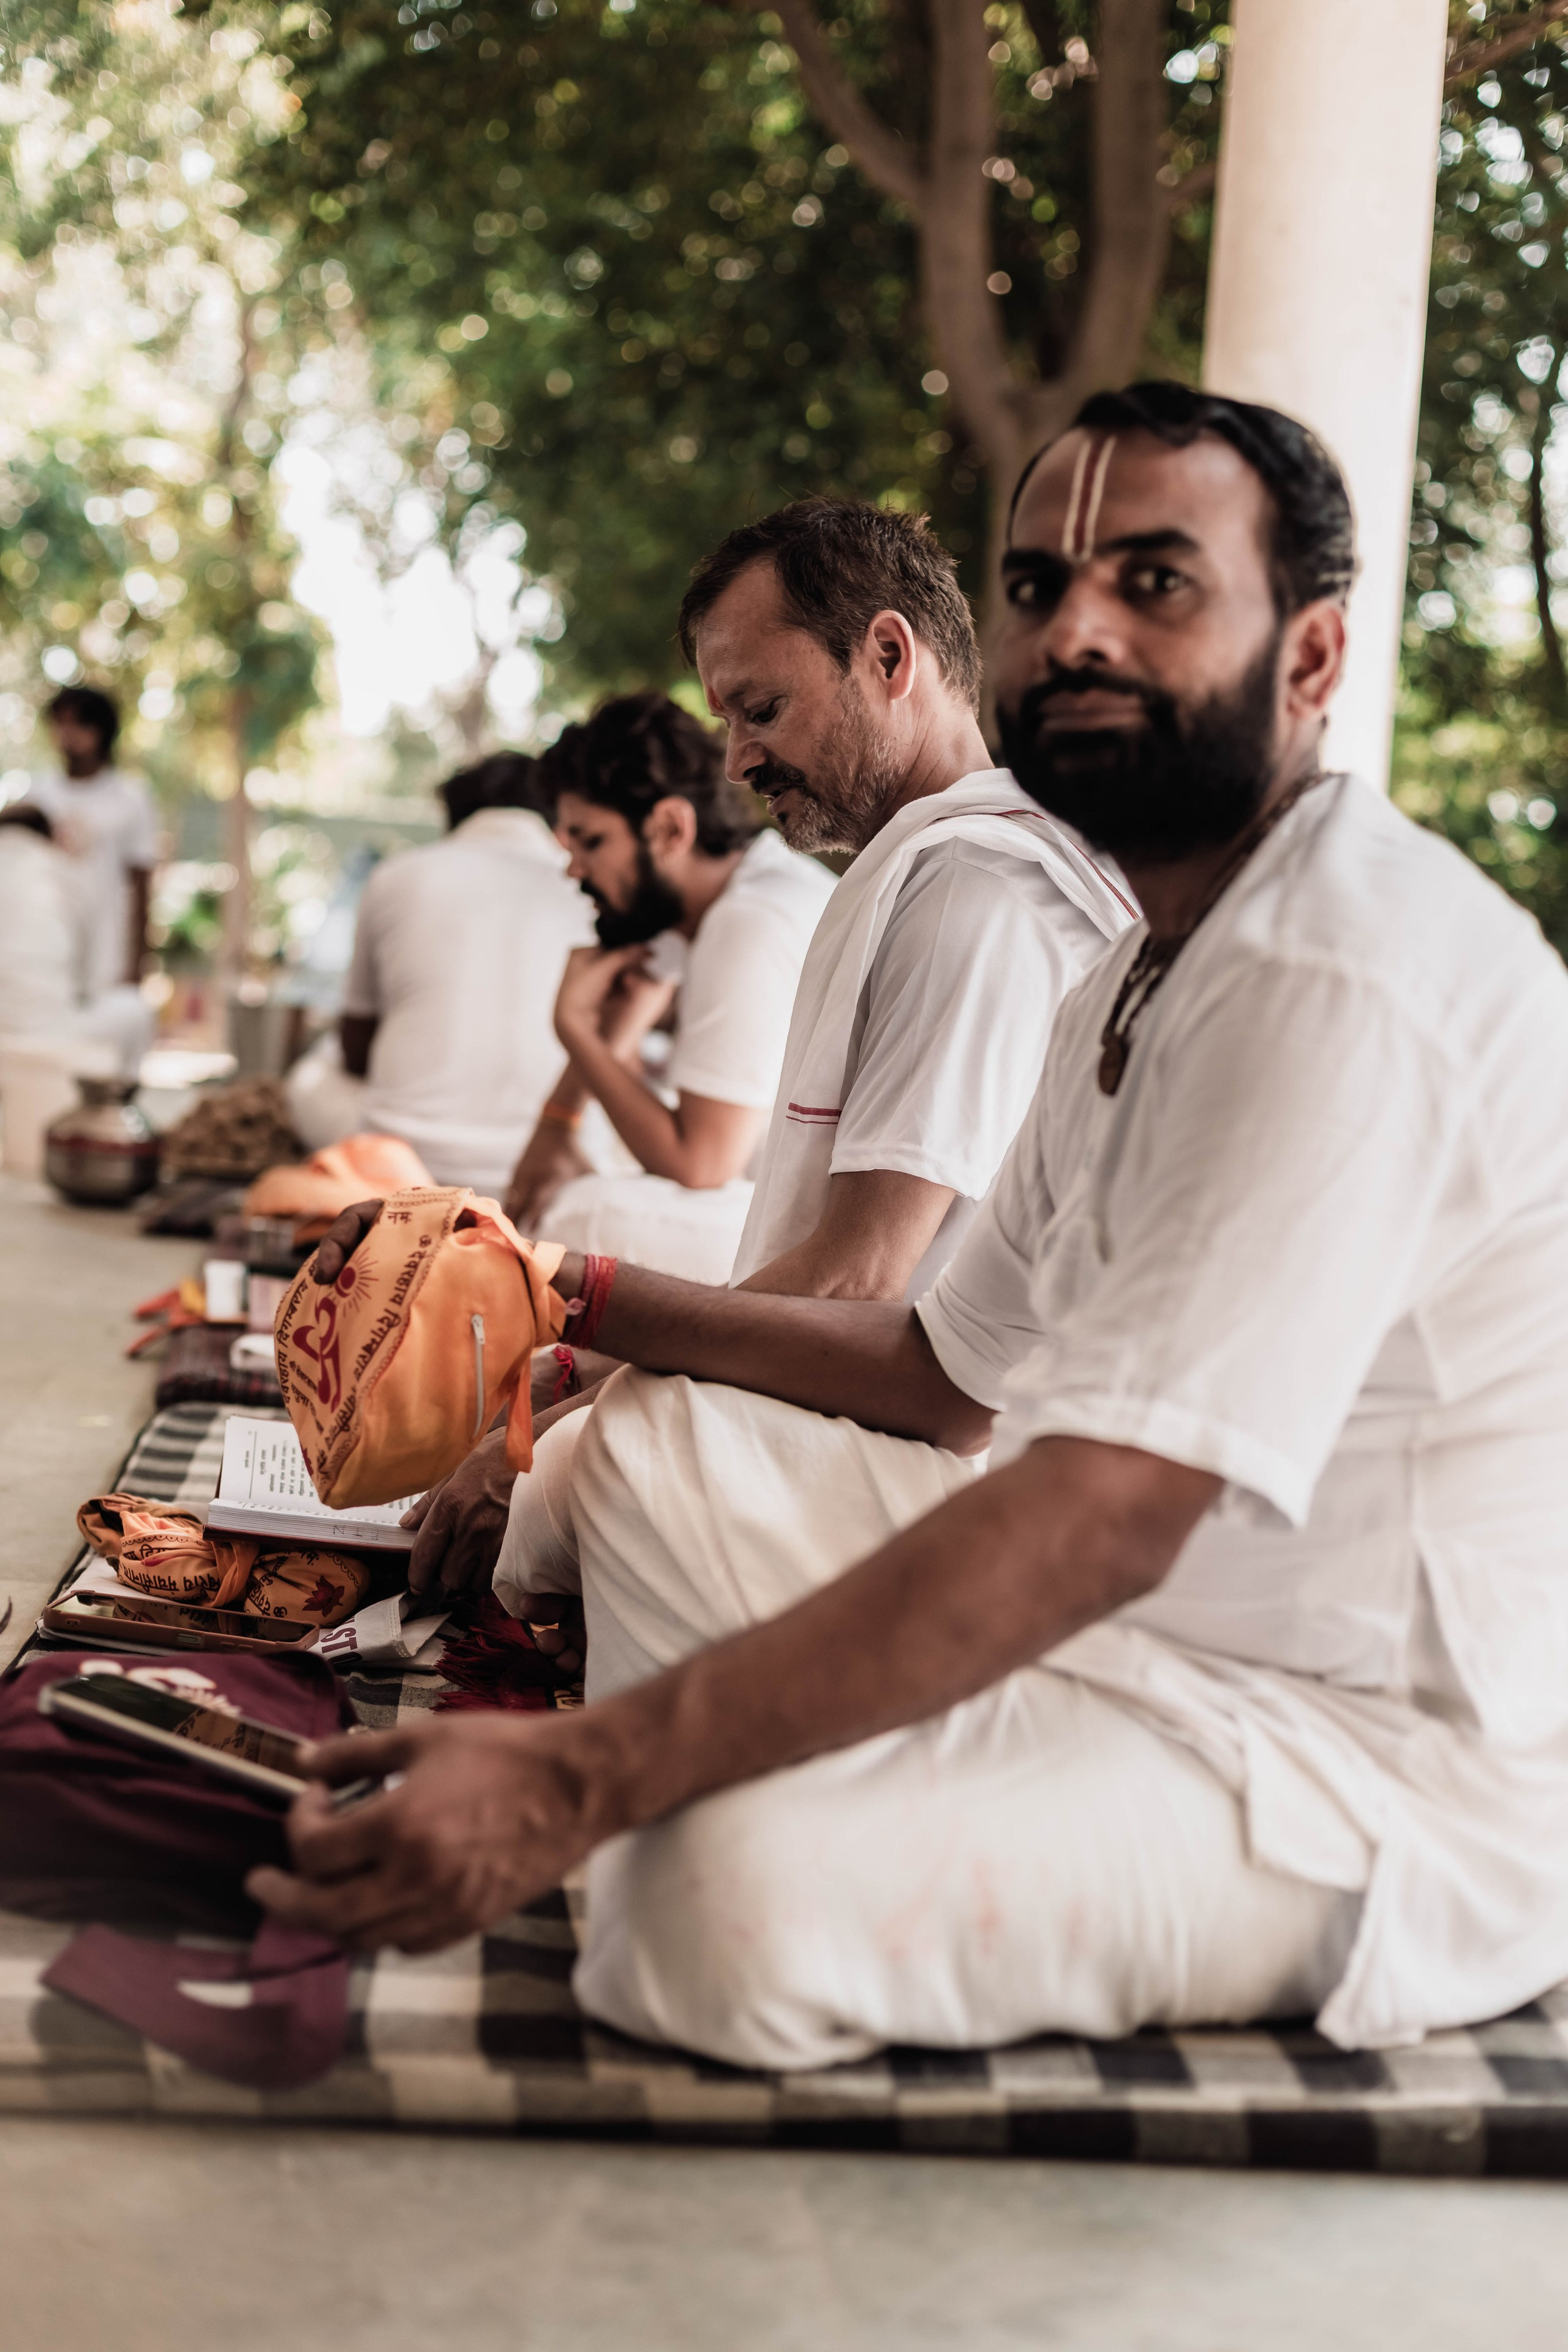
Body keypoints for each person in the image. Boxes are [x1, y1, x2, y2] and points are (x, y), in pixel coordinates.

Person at [263, 382, 1568, 2069]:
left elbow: (1097, 1518)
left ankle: (675, 1769)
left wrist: (595, 1771)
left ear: (1309, 658)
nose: (1078, 630)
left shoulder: (1335, 968)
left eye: (1156, 584)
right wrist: (568, 1299)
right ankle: (755, 1757)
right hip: (1125, 1653)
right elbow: (947, 1372)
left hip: (1350, 1767)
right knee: (665, 1443)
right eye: (1041, 587)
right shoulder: (1137, 961)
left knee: (709, 1906)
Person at [505, 691, 836, 1286]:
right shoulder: (727, 893)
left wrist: (574, 1030)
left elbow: (700, 1163)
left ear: (668, 828)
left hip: (816, 1241)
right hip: (770, 1207)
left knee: (577, 1215)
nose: (574, 870)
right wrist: (555, 1127)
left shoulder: (747, 922)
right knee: (576, 1185)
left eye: (591, 842)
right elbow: (629, 1013)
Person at [285, 753, 595, 1195]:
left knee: (315, 1070)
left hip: (403, 1164)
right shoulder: (591, 886)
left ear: (453, 817)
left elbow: (356, 1050)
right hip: (553, 1160)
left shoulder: (396, 875)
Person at [30, 685, 159, 1001]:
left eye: (80, 724)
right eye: (61, 723)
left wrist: (139, 960)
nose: (68, 734)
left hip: (107, 951)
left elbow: (141, 881)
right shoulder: (38, 796)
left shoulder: (130, 797)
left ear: (102, 730)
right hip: (47, 947)